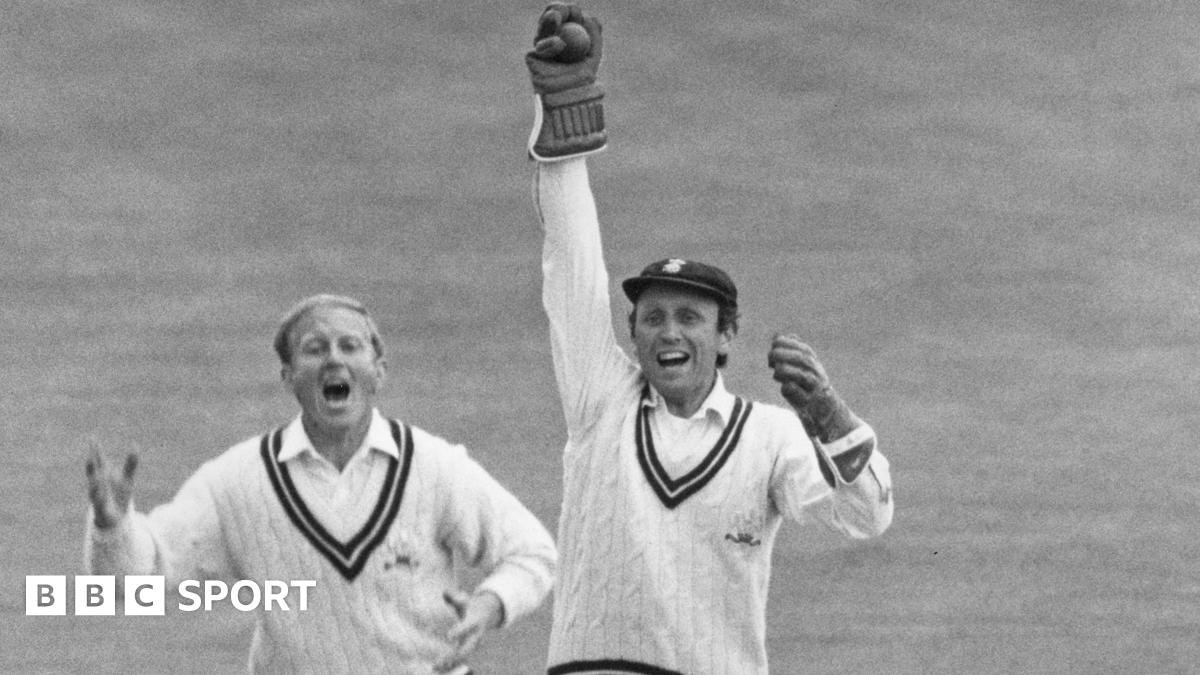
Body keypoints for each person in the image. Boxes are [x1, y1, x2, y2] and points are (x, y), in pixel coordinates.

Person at [523, 5, 894, 674]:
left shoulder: (771, 437)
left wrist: (831, 418)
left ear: (726, 338)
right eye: (652, 316)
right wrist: (565, 111)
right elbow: (571, 257)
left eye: (689, 318)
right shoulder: (598, 396)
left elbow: (867, 515)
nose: (667, 330)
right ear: (631, 332)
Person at [84, 294, 557, 674]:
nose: (334, 359)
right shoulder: (238, 480)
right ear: (288, 376)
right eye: (315, 348)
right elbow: (136, 582)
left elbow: (533, 552)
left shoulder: (433, 466)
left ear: (379, 370)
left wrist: (490, 605)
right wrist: (113, 526)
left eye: (350, 346)